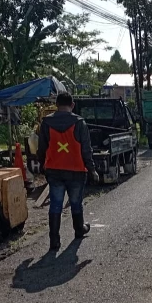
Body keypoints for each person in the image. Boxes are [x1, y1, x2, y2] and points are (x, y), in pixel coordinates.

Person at [37, 92, 99, 251]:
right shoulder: (80, 123)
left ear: (56, 105)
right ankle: (79, 230)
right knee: (76, 202)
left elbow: (42, 148)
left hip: (54, 170)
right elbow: (86, 149)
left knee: (56, 204)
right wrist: (92, 169)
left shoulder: (46, 123)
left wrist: (40, 165)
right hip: (76, 170)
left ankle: (54, 240)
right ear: (72, 105)